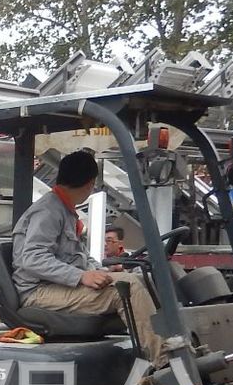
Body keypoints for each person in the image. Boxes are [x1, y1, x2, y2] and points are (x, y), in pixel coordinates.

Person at [11, 147, 165, 364]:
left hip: (58, 285)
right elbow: (33, 258)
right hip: (38, 291)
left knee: (143, 279)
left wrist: (100, 271)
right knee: (127, 289)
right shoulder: (48, 212)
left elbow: (78, 255)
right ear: (90, 184)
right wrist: (81, 276)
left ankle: (170, 346)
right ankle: (162, 360)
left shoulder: (65, 211)